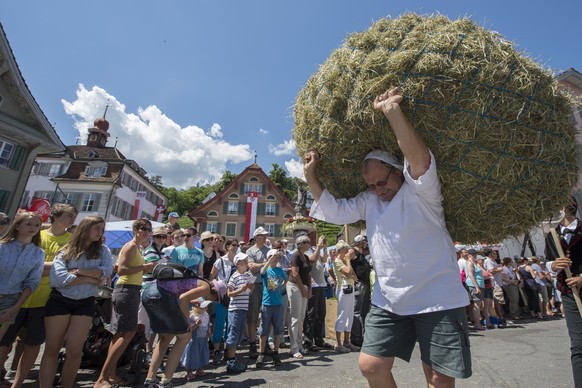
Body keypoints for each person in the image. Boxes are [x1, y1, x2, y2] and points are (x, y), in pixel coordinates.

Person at [304, 87, 471, 387]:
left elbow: (419, 159)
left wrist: (393, 111)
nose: (378, 189)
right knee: (371, 365)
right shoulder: (370, 202)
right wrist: (310, 177)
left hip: (438, 297)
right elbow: (335, 210)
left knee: (438, 379)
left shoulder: (422, 192)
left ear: (397, 171)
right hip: (389, 299)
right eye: (372, 185)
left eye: (383, 182)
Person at [0, 203, 77, 387]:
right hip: (13, 297)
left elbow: (68, 269)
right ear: (55, 216)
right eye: (70, 216)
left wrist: (55, 269)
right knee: (4, 343)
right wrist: (57, 268)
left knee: (32, 343)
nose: (73, 220)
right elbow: (62, 270)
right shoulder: (35, 237)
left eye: (74, 216)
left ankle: (16, 384)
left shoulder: (71, 241)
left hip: (44, 299)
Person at [39, 216, 112, 388]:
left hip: (85, 301)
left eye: (102, 229)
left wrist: (79, 272)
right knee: (52, 348)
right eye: (97, 228)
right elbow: (60, 279)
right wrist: (91, 278)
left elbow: (106, 271)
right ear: (85, 229)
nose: (100, 232)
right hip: (60, 300)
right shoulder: (66, 251)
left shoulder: (103, 251)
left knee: (75, 350)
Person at [95, 219, 155, 388]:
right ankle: (102, 378)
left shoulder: (137, 248)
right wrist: (145, 267)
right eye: (143, 228)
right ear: (135, 229)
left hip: (131, 289)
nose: (146, 232)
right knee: (127, 333)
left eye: (148, 229)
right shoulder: (130, 246)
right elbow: (121, 269)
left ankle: (110, 374)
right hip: (126, 289)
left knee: (121, 334)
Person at [141, 268, 226, 387]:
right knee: (184, 337)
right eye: (216, 299)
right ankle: (166, 381)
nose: (213, 301)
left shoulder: (199, 281)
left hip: (149, 292)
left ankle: (150, 380)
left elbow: (181, 292)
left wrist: (190, 303)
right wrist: (187, 321)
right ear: (214, 293)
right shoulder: (205, 287)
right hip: (164, 295)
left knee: (165, 338)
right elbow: (182, 299)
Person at [544, 198, 582, 387]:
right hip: (568, 293)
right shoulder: (552, 234)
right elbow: (548, 261)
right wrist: (553, 265)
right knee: (578, 345)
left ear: (566, 208)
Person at [0, 212, 44, 345]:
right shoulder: (2, 246)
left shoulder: (38, 253)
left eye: (37, 225)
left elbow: (32, 282)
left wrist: (16, 307)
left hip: (11, 300)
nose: (33, 227)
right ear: (17, 226)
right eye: (28, 224)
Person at [256, 249, 287, 368]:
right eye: (275, 257)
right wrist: (269, 260)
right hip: (266, 304)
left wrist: (283, 286)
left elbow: (286, 278)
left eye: (278, 257)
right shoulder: (266, 270)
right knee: (264, 330)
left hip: (277, 303)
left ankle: (276, 353)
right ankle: (261, 353)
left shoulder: (279, 270)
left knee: (278, 330)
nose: (277, 258)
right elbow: (262, 272)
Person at [209, 239, 238, 364]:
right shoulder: (220, 260)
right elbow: (212, 276)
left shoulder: (239, 260)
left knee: (230, 324)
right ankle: (216, 350)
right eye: (233, 245)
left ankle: (227, 349)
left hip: (235, 295)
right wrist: (215, 288)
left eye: (237, 245)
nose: (236, 247)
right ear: (227, 247)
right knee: (220, 323)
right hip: (222, 295)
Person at [225, 253, 254, 374]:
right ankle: (230, 361)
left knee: (239, 334)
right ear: (238, 264)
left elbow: (249, 292)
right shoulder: (235, 276)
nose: (247, 264)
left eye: (246, 262)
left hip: (243, 308)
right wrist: (241, 289)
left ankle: (233, 357)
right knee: (234, 333)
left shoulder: (247, 275)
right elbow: (229, 293)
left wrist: (250, 287)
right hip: (235, 309)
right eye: (244, 262)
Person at [245, 227, 270, 358]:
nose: (265, 237)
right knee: (253, 315)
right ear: (257, 237)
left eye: (265, 235)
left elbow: (270, 265)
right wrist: (265, 264)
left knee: (266, 314)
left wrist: (260, 264)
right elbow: (251, 267)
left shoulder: (268, 250)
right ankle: (252, 343)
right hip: (253, 283)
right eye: (262, 235)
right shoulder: (250, 250)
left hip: (266, 283)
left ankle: (264, 342)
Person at [303, 234, 331, 352]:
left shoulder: (315, 249)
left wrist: (324, 247)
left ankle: (318, 339)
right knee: (311, 314)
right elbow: (312, 260)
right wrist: (319, 246)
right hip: (313, 285)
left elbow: (324, 260)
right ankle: (308, 341)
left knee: (321, 313)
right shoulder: (306, 252)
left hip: (321, 285)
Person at [286, 234, 312, 359]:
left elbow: (308, 274)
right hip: (295, 287)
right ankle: (294, 347)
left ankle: (299, 344)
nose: (309, 244)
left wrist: (309, 289)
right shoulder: (295, 255)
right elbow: (295, 274)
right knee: (295, 317)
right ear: (302, 244)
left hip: (304, 287)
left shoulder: (306, 257)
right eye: (308, 242)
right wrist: (303, 289)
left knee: (301, 317)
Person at [332, 240, 359, 353]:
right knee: (342, 315)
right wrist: (348, 262)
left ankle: (347, 342)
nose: (348, 251)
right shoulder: (338, 261)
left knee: (349, 315)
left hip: (350, 288)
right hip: (343, 289)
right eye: (346, 250)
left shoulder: (344, 261)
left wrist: (348, 264)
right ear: (340, 251)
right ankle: (338, 343)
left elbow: (354, 275)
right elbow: (348, 273)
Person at [181, 299, 211, 381]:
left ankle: (200, 369)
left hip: (203, 339)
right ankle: (189, 371)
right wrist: (196, 325)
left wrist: (209, 333)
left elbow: (208, 325)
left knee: (202, 354)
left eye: (206, 307)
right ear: (195, 307)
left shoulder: (206, 315)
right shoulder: (192, 316)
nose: (205, 308)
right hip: (194, 340)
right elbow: (189, 329)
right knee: (192, 355)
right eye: (202, 307)